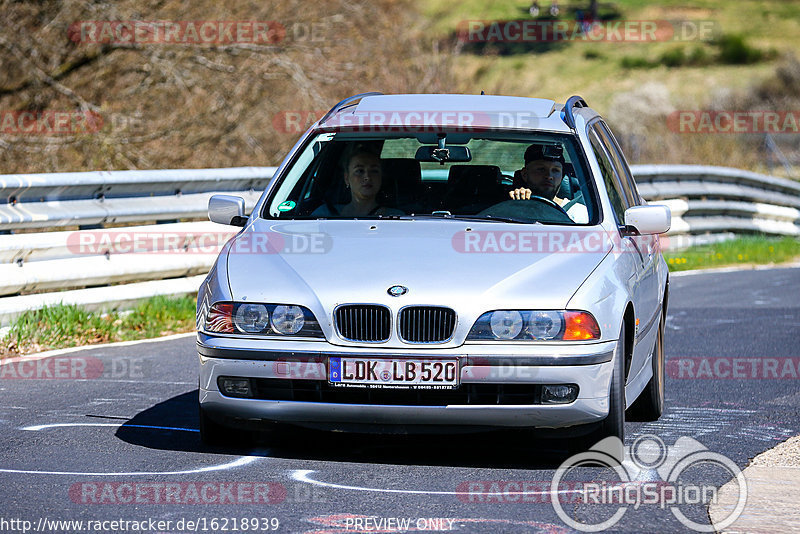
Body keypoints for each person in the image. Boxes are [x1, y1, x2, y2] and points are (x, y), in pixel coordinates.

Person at [313, 143, 403, 217]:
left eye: (374, 171)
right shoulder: (323, 214)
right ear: (347, 178)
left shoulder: (398, 217)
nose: (367, 177)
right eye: (359, 171)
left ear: (381, 177)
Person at [508, 144, 589, 223]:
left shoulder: (579, 214)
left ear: (562, 176)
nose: (549, 176)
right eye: (541, 169)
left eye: (555, 170)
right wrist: (516, 203)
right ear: (525, 174)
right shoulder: (510, 207)